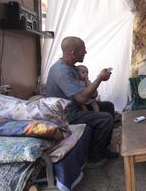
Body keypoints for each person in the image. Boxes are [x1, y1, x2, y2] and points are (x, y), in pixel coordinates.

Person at [46, 36, 118, 167]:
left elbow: (84, 91)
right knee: (105, 118)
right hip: (64, 115)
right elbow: (81, 98)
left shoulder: (71, 68)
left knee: (108, 106)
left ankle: (103, 149)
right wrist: (99, 78)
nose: (85, 52)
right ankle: (94, 157)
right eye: (83, 50)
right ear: (73, 52)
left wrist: (94, 90)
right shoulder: (61, 71)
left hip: (75, 106)